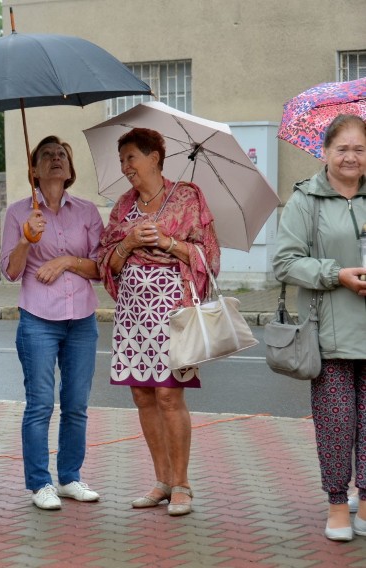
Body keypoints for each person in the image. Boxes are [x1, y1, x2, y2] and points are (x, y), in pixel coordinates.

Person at [96, 127, 220, 517]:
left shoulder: (187, 197)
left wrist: (166, 243)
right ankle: (162, 481)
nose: (125, 167)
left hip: (173, 308)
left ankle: (182, 484)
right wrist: (129, 243)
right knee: (142, 394)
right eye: (121, 160)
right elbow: (107, 263)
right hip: (133, 312)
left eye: (131, 158)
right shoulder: (122, 207)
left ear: (154, 157)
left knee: (169, 394)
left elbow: (209, 255)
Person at [272, 114, 366, 542]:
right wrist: (336, 274)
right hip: (328, 337)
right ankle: (336, 505)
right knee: (336, 424)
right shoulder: (305, 200)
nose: (351, 156)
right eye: (342, 148)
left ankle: (364, 504)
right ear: (325, 152)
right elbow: (284, 263)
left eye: (359, 149)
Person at [0, 135, 103, 510]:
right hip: (38, 320)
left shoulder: (88, 212)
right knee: (40, 404)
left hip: (82, 320)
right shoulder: (17, 213)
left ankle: (71, 477)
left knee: (76, 404)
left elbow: (101, 268)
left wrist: (65, 262)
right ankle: (40, 483)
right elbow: (11, 272)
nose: (56, 159)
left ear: (70, 168)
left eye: (62, 155)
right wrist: (27, 239)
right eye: (46, 155)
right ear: (34, 170)